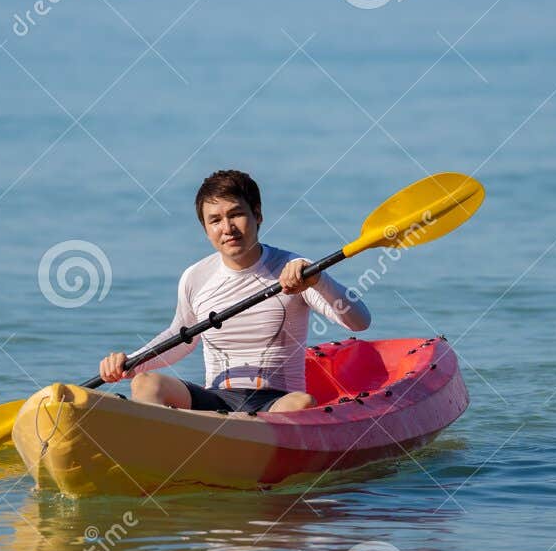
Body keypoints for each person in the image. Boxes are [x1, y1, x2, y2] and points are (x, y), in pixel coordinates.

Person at [98, 169, 372, 414]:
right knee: (146, 382)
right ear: (206, 229)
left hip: (277, 402)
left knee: (301, 403)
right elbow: (181, 337)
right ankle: (155, 451)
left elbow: (360, 322)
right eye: (215, 220)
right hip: (216, 401)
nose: (227, 228)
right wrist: (133, 362)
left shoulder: (294, 270)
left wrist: (318, 279)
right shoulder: (196, 277)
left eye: (236, 214)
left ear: (258, 215)